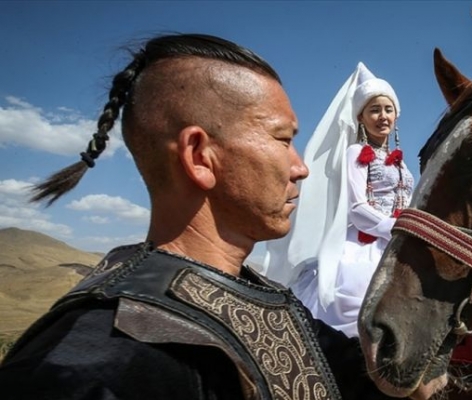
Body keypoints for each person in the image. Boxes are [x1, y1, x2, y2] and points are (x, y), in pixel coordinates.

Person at [0, 34, 396, 400]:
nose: (300, 167)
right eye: (283, 139)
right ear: (200, 156)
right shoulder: (95, 367)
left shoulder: (271, 302)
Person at [263, 63, 414, 338]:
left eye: (388, 109)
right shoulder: (356, 152)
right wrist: (396, 228)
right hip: (367, 244)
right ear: (361, 117)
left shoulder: (402, 164)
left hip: (402, 239)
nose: (383, 116)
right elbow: (357, 210)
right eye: (374, 109)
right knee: (358, 303)